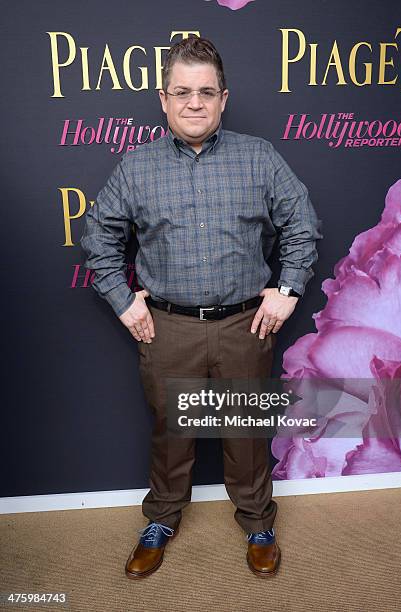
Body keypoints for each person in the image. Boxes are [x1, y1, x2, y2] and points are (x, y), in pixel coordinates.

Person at [80, 35, 322, 579]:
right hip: (167, 329)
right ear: (163, 99)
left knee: (245, 433)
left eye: (206, 92)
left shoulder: (259, 157)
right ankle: (162, 519)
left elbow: (302, 227)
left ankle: (258, 521)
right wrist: (123, 300)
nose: (195, 102)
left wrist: (286, 291)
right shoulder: (137, 166)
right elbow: (99, 236)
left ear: (223, 98)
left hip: (244, 325)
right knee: (172, 432)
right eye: (182, 91)